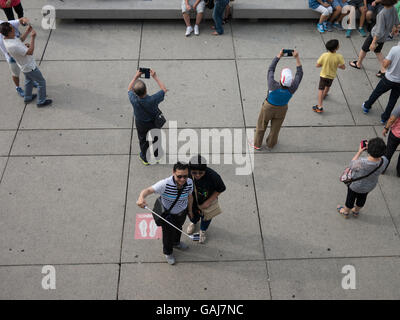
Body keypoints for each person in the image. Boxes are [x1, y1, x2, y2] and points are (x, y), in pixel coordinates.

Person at [136, 162, 194, 265]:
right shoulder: (165, 184)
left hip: (182, 212)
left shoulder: (189, 182)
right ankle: (168, 252)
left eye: (185, 176)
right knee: (167, 234)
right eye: (179, 176)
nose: (182, 179)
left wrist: (189, 211)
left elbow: (190, 196)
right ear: (173, 173)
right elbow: (148, 190)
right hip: (168, 215)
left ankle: (176, 243)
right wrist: (141, 197)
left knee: (178, 228)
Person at [251, 50, 303, 150]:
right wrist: (297, 58)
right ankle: (271, 144)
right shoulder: (293, 88)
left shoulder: (272, 84)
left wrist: (279, 56)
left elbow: (271, 69)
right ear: (291, 81)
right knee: (276, 128)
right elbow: (299, 73)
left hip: (268, 107)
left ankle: (257, 144)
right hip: (282, 108)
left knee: (261, 125)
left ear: (281, 79)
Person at [1, 22, 52, 107]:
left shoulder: (7, 38)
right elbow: (30, 52)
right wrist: (32, 38)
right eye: (13, 29)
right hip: (29, 66)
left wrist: (27, 32)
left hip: (23, 66)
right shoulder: (13, 45)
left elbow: (19, 41)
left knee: (29, 81)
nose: (15, 29)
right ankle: (41, 101)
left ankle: (27, 98)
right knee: (41, 82)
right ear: (9, 32)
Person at [337, 137, 388, 218]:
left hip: (355, 186)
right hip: (369, 186)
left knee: (350, 198)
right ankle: (356, 211)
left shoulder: (361, 162)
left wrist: (359, 152)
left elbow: (351, 165)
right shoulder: (384, 160)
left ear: (368, 150)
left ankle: (346, 212)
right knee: (362, 198)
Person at [349, 0, 400, 78]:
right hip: (384, 36)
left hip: (375, 36)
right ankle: (383, 70)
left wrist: (373, 42)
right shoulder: (393, 8)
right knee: (378, 51)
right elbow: (396, 20)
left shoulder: (382, 13)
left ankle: (358, 64)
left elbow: (379, 30)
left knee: (364, 49)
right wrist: (396, 28)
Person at [128, 69, 167, 165]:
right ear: (146, 90)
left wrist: (135, 76)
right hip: (153, 123)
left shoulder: (132, 98)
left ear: (135, 92)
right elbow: (164, 90)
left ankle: (145, 159)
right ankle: (157, 156)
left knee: (143, 140)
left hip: (140, 123)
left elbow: (129, 89)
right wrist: (155, 77)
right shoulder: (153, 99)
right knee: (156, 139)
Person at [187, 155, 226, 244]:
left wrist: (208, 202)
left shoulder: (213, 176)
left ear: (205, 169)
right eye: (194, 173)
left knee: (206, 218)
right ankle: (193, 222)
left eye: (201, 173)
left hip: (207, 202)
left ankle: (202, 231)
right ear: (190, 169)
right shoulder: (187, 173)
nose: (197, 175)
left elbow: (221, 188)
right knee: (192, 215)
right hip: (192, 201)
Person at [361, 41, 400, 123]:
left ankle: (367, 106)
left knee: (377, 92)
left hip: (389, 78)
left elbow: (385, 65)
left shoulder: (395, 49)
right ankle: (384, 118)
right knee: (393, 100)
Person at [0, 16, 33, 97]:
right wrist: (30, 42)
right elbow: (28, 52)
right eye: (12, 29)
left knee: (27, 69)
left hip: (17, 52)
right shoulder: (5, 40)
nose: (14, 29)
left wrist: (26, 23)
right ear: (7, 33)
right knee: (15, 74)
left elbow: (22, 20)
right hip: (12, 58)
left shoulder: (5, 25)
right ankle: (18, 87)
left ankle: (30, 81)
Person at [313, 39, 345, 113]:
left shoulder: (324, 55)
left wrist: (323, 64)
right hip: (331, 76)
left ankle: (319, 106)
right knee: (327, 87)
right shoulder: (339, 56)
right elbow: (343, 67)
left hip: (323, 75)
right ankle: (324, 95)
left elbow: (317, 65)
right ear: (337, 48)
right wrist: (337, 65)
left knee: (321, 89)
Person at [382, 104, 400, 176]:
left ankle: (383, 169)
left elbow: (392, 119)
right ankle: (399, 172)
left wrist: (386, 128)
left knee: (388, 152)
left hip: (395, 134)